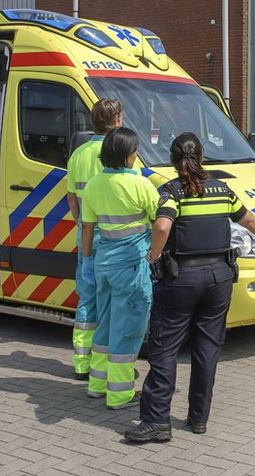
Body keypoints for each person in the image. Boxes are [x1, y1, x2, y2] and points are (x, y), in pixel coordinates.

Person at [124, 133, 255, 443]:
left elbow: (163, 225)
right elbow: (248, 219)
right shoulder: (222, 189)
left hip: (181, 279)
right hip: (219, 278)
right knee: (207, 349)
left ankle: (156, 422)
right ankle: (199, 418)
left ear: (174, 160)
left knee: (164, 348)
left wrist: (153, 255)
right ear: (201, 158)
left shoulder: (171, 191)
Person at [79, 128, 159, 410]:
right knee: (128, 329)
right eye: (136, 151)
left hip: (102, 263)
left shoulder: (93, 185)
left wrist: (87, 260)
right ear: (128, 156)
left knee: (106, 323)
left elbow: (87, 227)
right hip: (132, 266)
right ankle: (120, 394)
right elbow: (160, 220)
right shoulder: (141, 185)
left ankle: (97, 384)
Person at [65, 99, 123, 380]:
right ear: (117, 120)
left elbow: (71, 196)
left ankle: (81, 364)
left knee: (86, 297)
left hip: (86, 232)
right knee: (110, 300)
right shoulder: (117, 151)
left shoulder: (79, 154)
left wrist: (80, 221)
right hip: (114, 235)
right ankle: (105, 365)